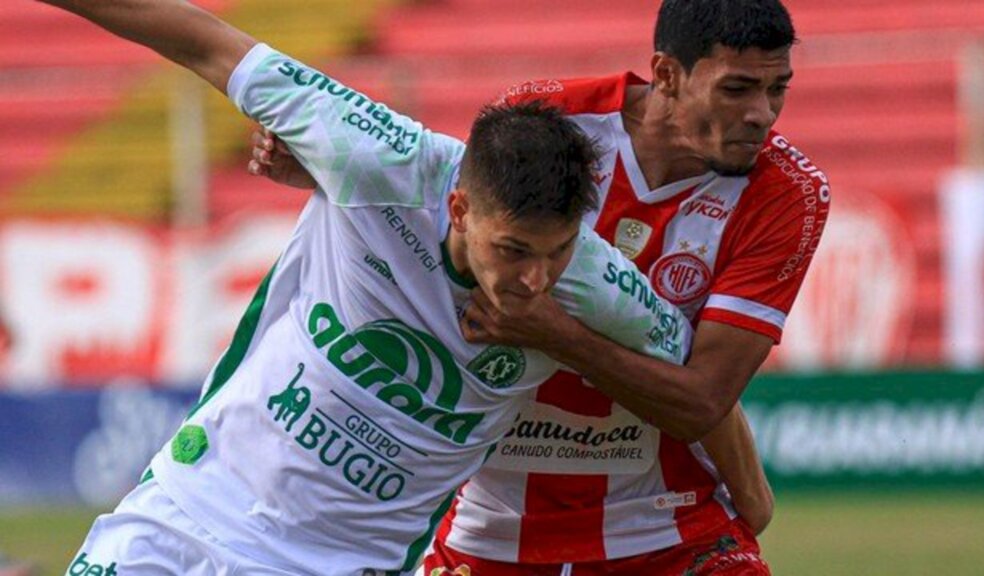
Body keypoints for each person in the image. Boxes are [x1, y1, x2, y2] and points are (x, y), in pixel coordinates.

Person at [39, 2, 768, 575]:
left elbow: (697, 386)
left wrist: (753, 497)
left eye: (556, 253)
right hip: (188, 509)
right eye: (513, 250)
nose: (533, 280)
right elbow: (200, 39)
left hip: (343, 565)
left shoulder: (600, 286)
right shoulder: (377, 154)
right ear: (458, 206)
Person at [250, 0, 829, 573]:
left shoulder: (788, 193)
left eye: (777, 89)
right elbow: (445, 222)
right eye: (738, 90)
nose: (763, 113)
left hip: (666, 525)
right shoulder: (544, 118)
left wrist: (557, 335)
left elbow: (704, 398)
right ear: (667, 75)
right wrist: (327, 172)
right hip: (491, 530)